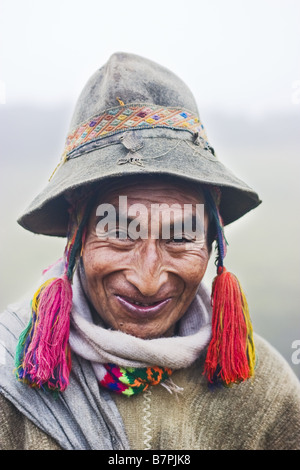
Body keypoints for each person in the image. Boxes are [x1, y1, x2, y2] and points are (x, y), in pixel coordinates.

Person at [0, 52, 299, 451]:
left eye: (179, 237)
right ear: (77, 236)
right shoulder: (8, 378)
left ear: (213, 241)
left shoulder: (265, 393)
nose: (148, 279)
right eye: (121, 232)